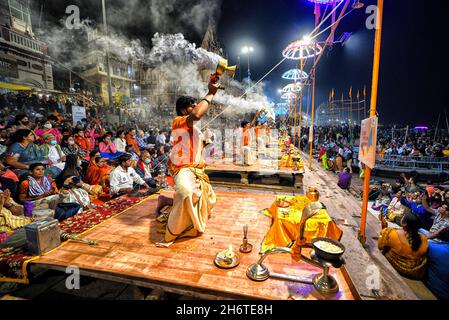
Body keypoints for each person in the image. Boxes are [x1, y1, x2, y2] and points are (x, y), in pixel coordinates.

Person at [156, 78, 219, 247]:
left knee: (197, 197)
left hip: (197, 169)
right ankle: (174, 231)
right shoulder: (178, 121)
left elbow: (198, 146)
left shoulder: (195, 128)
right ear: (184, 109)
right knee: (185, 193)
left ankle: (166, 201)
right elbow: (198, 114)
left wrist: (206, 141)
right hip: (184, 168)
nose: (195, 107)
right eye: (192, 105)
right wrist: (211, 93)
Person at [378, 213, 428, 280]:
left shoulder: (390, 232)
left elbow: (380, 246)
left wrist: (383, 231)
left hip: (397, 266)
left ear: (404, 223)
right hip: (414, 271)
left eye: (402, 218)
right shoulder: (424, 238)